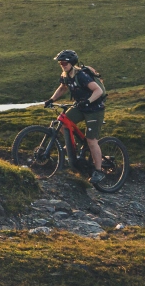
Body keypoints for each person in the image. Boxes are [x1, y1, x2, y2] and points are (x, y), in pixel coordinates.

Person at [45, 49, 106, 184]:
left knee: (91, 141)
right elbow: (62, 88)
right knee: (63, 123)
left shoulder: (82, 75)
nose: (62, 64)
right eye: (60, 62)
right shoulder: (66, 75)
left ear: (72, 63)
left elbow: (98, 90)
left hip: (94, 109)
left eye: (64, 62)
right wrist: (51, 100)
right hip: (80, 107)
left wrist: (88, 101)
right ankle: (75, 148)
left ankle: (98, 171)